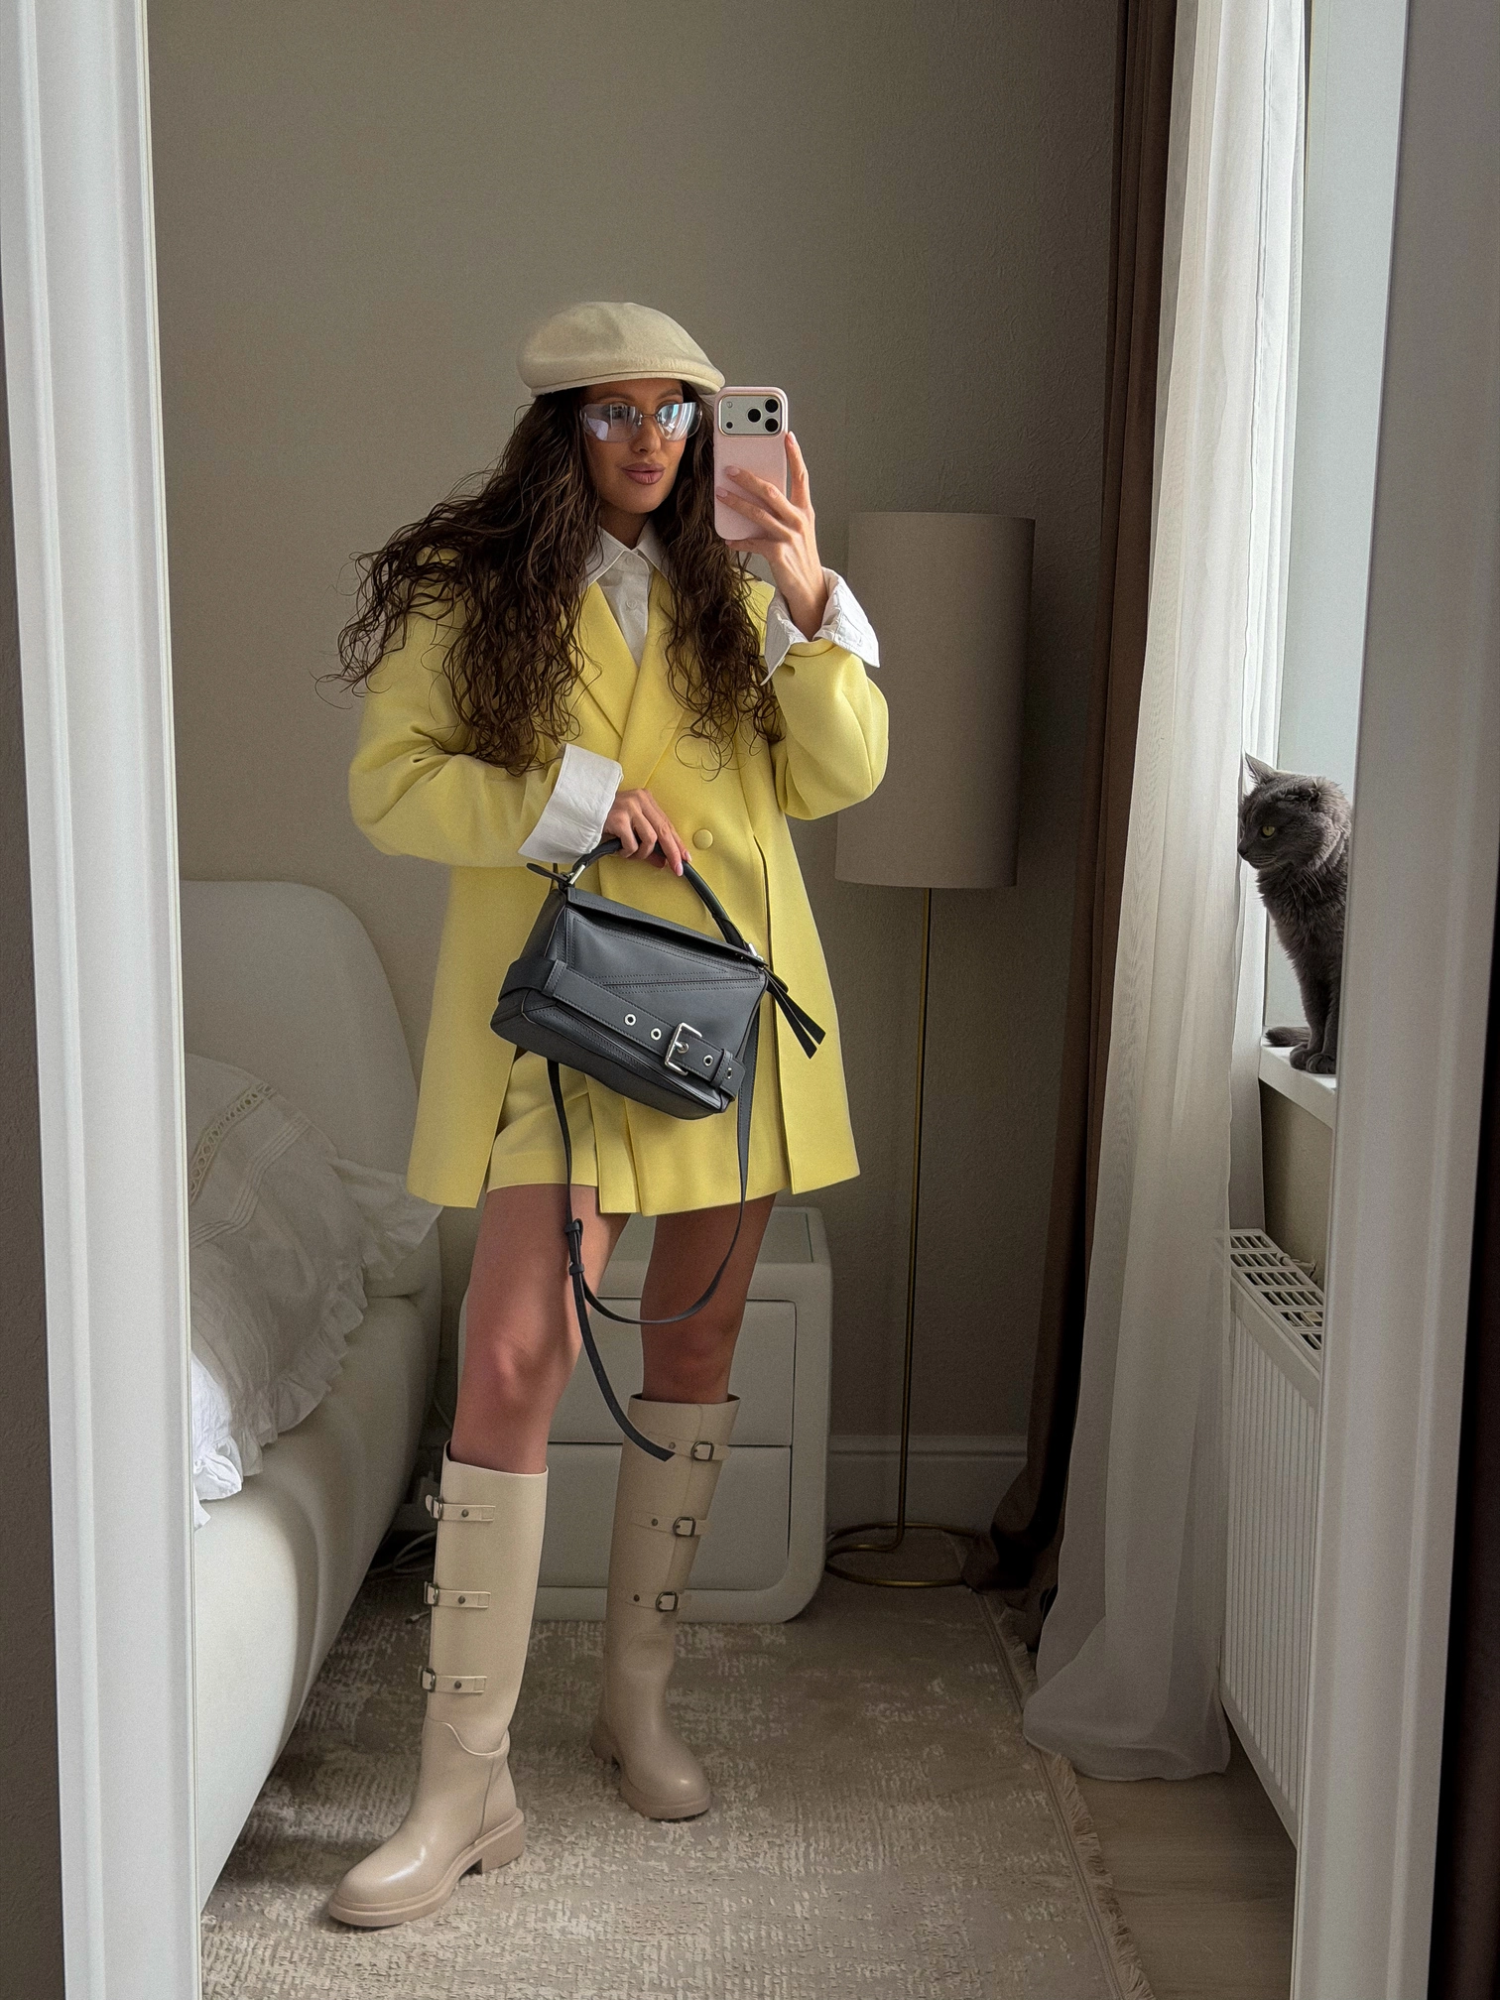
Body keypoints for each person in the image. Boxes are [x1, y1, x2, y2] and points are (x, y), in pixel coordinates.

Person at [326, 302, 886, 1928]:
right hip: (560, 1020)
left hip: (730, 1013)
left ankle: (637, 1704)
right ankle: (463, 1787)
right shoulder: (473, 588)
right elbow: (390, 786)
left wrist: (808, 587)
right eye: (612, 412)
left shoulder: (748, 586)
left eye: (675, 412)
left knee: (694, 1353)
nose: (648, 440)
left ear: (710, 428)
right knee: (513, 1359)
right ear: (559, 429)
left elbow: (843, 775)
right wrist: (573, 800)